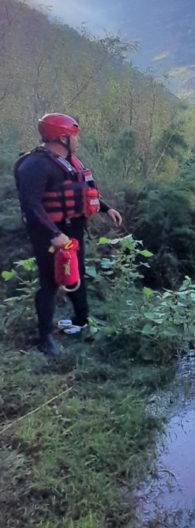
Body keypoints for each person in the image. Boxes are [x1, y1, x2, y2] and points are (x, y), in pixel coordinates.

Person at [14, 113, 122, 356]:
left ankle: (81, 320)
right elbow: (31, 205)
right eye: (74, 136)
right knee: (50, 283)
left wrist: (107, 209)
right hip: (49, 234)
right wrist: (53, 234)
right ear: (61, 137)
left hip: (72, 229)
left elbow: (83, 190)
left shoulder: (69, 161)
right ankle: (45, 338)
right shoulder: (36, 165)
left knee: (76, 274)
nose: (77, 141)